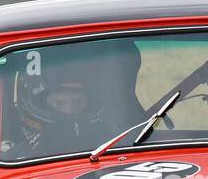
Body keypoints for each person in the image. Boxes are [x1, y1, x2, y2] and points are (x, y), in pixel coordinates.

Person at [15, 39, 144, 158]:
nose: (69, 111)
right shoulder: (15, 155)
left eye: (78, 102)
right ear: (42, 103)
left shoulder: (118, 141)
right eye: (59, 103)